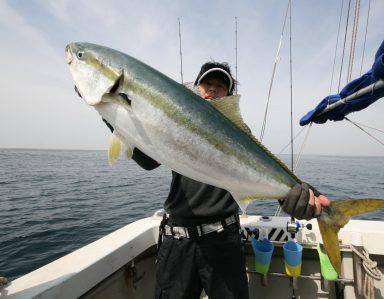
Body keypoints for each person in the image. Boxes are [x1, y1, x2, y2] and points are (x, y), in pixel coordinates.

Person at [104, 62, 330, 299]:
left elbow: (261, 172)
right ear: (196, 89)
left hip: (224, 241)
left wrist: (295, 195)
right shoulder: (175, 120)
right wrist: (108, 109)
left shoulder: (239, 132)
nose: (212, 90)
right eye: (206, 84)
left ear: (228, 96)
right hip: (177, 239)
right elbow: (148, 161)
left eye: (220, 87)